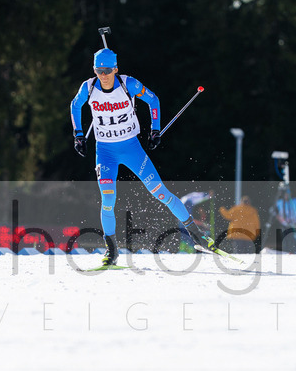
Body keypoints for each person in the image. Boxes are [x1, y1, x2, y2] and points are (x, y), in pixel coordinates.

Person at [70, 47, 215, 266]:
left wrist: (154, 129)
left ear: (116, 69)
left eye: (108, 70)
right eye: (99, 70)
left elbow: (153, 100)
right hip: (105, 152)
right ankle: (112, 251)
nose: (104, 75)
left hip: (132, 148)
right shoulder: (88, 87)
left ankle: (198, 237)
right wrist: (78, 135)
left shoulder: (129, 84)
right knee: (108, 199)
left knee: (160, 193)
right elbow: (75, 105)